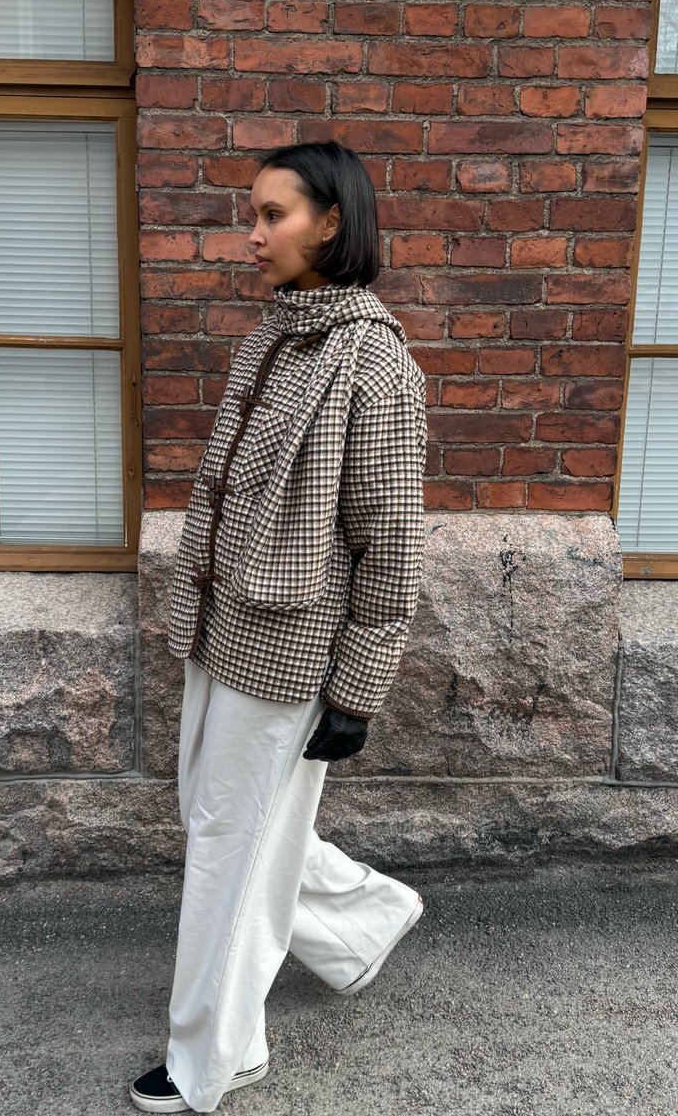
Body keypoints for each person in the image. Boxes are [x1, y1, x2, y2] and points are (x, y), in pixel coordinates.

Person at [130, 141, 428, 1114]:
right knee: (227, 824)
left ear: (330, 221)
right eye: (250, 214)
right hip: (225, 626)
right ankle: (365, 918)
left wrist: (357, 688)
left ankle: (210, 1057)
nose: (250, 235)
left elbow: (388, 539)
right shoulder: (275, 332)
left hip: (292, 649)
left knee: (229, 846)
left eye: (271, 215)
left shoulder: (372, 360)